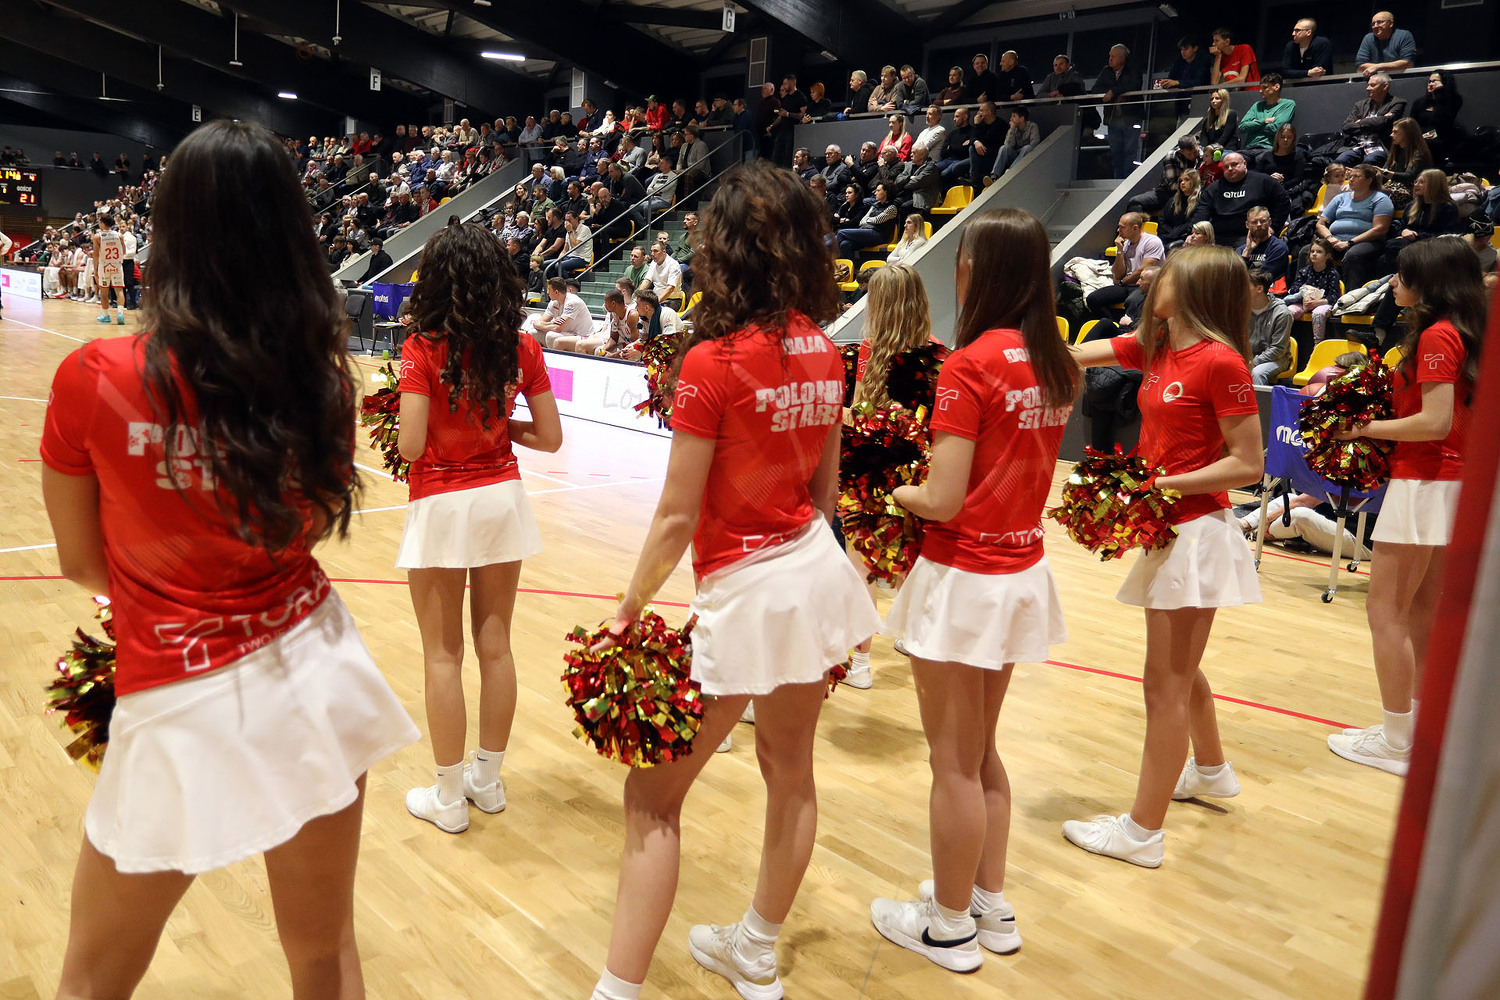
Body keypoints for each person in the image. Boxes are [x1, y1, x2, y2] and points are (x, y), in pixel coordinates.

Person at [38, 118, 417, 999]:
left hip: (176, 689)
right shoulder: (320, 381)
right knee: (325, 955)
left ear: (171, 231)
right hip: (315, 671)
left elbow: (81, 563)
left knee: (91, 980)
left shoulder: (97, 376)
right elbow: (306, 528)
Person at [585, 161, 879, 1000]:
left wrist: (627, 608)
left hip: (748, 588)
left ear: (725, 252)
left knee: (652, 797)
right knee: (791, 771)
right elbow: (823, 498)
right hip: (813, 573)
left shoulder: (712, 362)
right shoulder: (828, 351)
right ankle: (755, 950)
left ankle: (618, 991)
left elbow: (676, 516)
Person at [868, 208, 1076, 971]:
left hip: (964, 577)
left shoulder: (969, 365)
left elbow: (944, 497)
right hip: (1020, 569)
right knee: (982, 750)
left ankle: (948, 925)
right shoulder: (1056, 362)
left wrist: (893, 491)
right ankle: (988, 901)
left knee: (952, 761)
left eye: (960, 260)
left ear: (978, 271)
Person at [1062, 246, 1264, 866]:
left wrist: (1158, 485)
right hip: (1168, 527)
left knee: (1165, 685)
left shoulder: (1221, 360)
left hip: (1197, 531)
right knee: (1182, 669)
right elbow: (1074, 354)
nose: (1153, 280)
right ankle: (1211, 770)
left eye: (1166, 274)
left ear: (1194, 286)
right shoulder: (1157, 346)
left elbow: (1249, 464)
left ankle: (1142, 833)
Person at [396, 224, 563, 833]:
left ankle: (447, 797)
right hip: (501, 498)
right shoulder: (523, 347)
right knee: (497, 646)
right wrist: (499, 427)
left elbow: (411, 444)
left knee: (443, 655)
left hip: (443, 502)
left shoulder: (421, 348)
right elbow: (550, 437)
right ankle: (486, 782)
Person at [1329, 238, 1485, 775]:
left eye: (1401, 275)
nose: (1394, 283)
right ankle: (1415, 730)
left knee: (1385, 612)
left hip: (1425, 480)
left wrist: (1362, 428)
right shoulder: (1464, 330)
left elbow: (1435, 422)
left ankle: (1397, 741)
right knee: (1421, 610)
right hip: (1449, 482)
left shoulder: (1439, 335)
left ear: (1429, 282)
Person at [1316, 163, 1393, 289]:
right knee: (1308, 251)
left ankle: (1351, 297)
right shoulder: (1340, 198)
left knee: (1353, 255)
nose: (1351, 179)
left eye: (1356, 176)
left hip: (1366, 242)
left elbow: (1380, 229)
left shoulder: (1380, 199)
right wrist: (1330, 238)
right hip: (1335, 241)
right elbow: (1320, 223)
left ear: (1369, 180)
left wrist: (1350, 242)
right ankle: (1306, 293)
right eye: (1350, 176)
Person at [1195, 151, 1291, 247]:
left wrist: (1273, 227)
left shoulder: (1264, 181)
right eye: (1226, 167)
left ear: (1244, 164)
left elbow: (1283, 202)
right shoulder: (1214, 188)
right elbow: (1201, 211)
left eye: (1234, 165)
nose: (1230, 169)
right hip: (1218, 237)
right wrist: (1195, 232)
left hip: (1253, 236)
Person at [1378, 169, 1462, 274]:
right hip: (1409, 243)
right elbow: (1402, 226)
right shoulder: (1412, 205)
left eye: (1421, 182)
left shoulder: (1448, 208)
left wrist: (1416, 236)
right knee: (1385, 256)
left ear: (1434, 185)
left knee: (1393, 250)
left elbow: (1448, 235)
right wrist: (1403, 231)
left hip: (1433, 246)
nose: (1416, 185)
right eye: (1416, 182)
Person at [1087, 213, 1164, 318]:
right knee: (1093, 299)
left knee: (1131, 301)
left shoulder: (1152, 242)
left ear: (1135, 228)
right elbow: (1118, 274)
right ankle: (1110, 324)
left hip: (1144, 285)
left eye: (1122, 227)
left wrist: (1122, 282)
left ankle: (1127, 326)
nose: (1118, 230)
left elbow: (1143, 270)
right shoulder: (1126, 244)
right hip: (1127, 285)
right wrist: (1120, 251)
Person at [1336, 74, 1407, 166]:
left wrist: (1360, 122)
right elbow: (1346, 127)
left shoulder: (1397, 103)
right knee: (1339, 162)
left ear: (1385, 86)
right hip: (1357, 146)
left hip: (1379, 147)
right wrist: (1375, 123)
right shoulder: (1360, 105)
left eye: (1372, 85)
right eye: (1368, 85)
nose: (1367, 88)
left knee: (1369, 162)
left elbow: (1385, 122)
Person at [1095, 44, 1143, 179]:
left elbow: (1135, 85)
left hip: (1131, 118)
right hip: (1113, 119)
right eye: (1110, 56)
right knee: (1116, 152)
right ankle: (1117, 180)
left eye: (1113, 56)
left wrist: (1114, 91)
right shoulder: (1106, 71)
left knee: (1130, 151)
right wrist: (1113, 92)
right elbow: (1096, 89)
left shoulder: (1133, 69)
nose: (1110, 59)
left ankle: (1129, 180)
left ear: (1122, 58)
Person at [1284, 239, 1343, 343]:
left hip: (1323, 303)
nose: (1314, 254)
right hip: (1303, 302)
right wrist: (1304, 288)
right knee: (1289, 311)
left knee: (1318, 314)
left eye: (1319, 252)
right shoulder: (1304, 271)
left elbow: (1334, 296)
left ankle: (1318, 343)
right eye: (1312, 251)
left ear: (1327, 255)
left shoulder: (1332, 274)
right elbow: (1293, 289)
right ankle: (1284, 340)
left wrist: (1318, 302)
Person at [1129, 136, 1201, 215]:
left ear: (1197, 145)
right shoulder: (1172, 156)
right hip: (1169, 192)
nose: (1193, 156)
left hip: (1195, 192)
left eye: (1195, 152)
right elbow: (1172, 184)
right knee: (1135, 202)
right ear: (1181, 152)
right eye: (1189, 154)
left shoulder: (1203, 155)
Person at [1256, 123, 1318, 213]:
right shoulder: (1267, 156)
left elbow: (1299, 178)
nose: (1285, 140)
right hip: (1268, 189)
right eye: (1282, 137)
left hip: (1289, 191)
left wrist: (1281, 185)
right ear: (1277, 138)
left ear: (1293, 139)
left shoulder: (1298, 156)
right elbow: (1258, 176)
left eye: (1289, 137)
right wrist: (1270, 178)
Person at [1246, 267, 1293, 384]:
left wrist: (1253, 362)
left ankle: (1259, 397)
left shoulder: (1282, 313)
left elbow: (1277, 350)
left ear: (1259, 289)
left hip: (1277, 359)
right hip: (1248, 357)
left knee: (1257, 373)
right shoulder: (1242, 309)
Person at [1412, 71, 1464, 162]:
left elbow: (1446, 121)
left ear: (1444, 83)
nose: (1430, 84)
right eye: (1429, 81)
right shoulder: (1419, 102)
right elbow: (1412, 123)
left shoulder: (1453, 100)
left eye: (1434, 81)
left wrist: (1439, 92)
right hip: (1421, 137)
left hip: (1442, 137)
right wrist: (1420, 136)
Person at [837, 182, 899, 256]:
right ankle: (850, 263)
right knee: (845, 244)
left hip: (878, 235)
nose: (875, 193)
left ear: (886, 192)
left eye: (878, 190)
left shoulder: (892, 208)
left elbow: (877, 220)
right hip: (866, 232)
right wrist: (870, 221)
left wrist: (868, 220)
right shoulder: (875, 205)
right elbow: (862, 221)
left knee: (840, 233)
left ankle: (830, 258)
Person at [529, 276, 595, 346]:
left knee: (551, 336)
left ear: (556, 292)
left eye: (549, 289)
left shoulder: (573, 302)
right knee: (533, 333)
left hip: (582, 336)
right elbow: (541, 321)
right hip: (565, 333)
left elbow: (558, 328)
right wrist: (552, 323)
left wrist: (540, 325)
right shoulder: (553, 302)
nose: (547, 292)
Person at [1238, 74, 1295, 151]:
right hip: (1249, 147)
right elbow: (1242, 127)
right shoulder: (1257, 105)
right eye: (1260, 88)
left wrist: (1254, 124)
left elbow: (1277, 129)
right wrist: (1265, 121)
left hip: (1269, 148)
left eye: (1264, 87)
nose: (1260, 91)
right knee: (1231, 157)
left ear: (1276, 87)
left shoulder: (1288, 104)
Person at [1236, 206, 1290, 282]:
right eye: (1254, 222)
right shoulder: (1241, 250)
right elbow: (1235, 275)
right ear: (1247, 225)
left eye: (1262, 221)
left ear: (1270, 222)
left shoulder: (1279, 248)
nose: (1259, 225)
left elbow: (1263, 278)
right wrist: (1248, 250)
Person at [987, 107, 1040, 182]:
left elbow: (1034, 143)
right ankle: (994, 176)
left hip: (1028, 157)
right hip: (1015, 156)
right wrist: (1012, 130)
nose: (1011, 119)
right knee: (1003, 148)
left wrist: (1022, 150)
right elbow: (1008, 145)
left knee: (1027, 148)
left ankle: (1011, 171)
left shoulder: (1032, 126)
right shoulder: (1013, 128)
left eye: (1014, 116)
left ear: (1022, 118)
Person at [92, 213, 127, 326]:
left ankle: (106, 316)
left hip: (104, 266)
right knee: (119, 290)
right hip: (117, 265)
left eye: (99, 221)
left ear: (102, 223)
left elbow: (96, 255)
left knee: (104, 291)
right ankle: (120, 314)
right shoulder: (119, 235)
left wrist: (95, 269)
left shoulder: (97, 237)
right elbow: (124, 251)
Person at [1358, 11, 1417, 77]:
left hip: (1400, 78)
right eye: (1373, 24)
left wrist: (1378, 67)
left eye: (1379, 22)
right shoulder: (1368, 38)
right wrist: (1380, 67)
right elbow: (1360, 66)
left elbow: (1408, 63)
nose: (1375, 26)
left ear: (1391, 23)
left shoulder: (1404, 35)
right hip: (1373, 79)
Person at [1158, 170, 1203, 246]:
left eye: (1187, 180)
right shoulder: (1173, 200)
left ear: (1194, 181)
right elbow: (1162, 219)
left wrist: (1176, 233)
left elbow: (1192, 224)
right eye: (1181, 181)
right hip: (1168, 235)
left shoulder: (1201, 201)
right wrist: (1171, 232)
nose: (1182, 183)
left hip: (1186, 237)